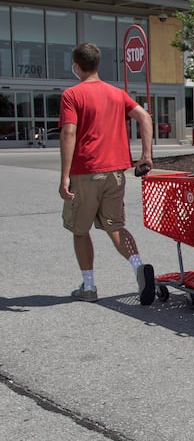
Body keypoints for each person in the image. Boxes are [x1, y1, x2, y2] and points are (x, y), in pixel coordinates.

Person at [58, 42, 155, 305]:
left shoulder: (72, 95)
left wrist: (64, 175)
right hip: (116, 172)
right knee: (116, 227)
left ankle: (89, 286)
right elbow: (145, 117)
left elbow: (68, 132)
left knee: (80, 229)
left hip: (86, 171)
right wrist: (146, 155)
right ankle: (138, 267)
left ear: (76, 66)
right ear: (97, 65)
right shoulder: (117, 94)